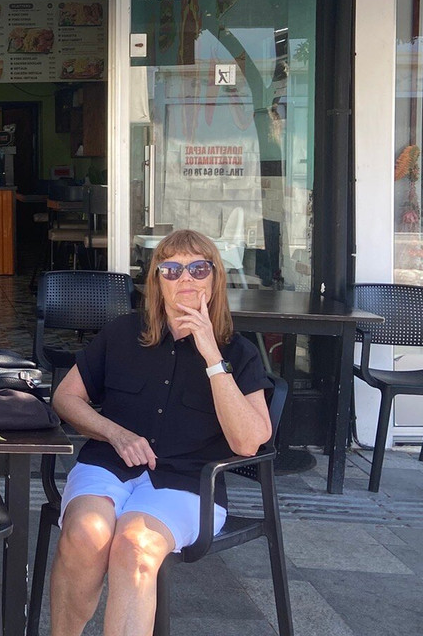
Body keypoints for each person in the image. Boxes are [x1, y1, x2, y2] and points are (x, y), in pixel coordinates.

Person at [49, 229, 272, 636]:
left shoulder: (238, 352)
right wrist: (114, 433)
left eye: (198, 268)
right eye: (171, 269)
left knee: (135, 545)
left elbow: (249, 441)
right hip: (109, 466)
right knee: (86, 534)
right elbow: (65, 398)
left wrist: (211, 356)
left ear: (214, 279)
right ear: (157, 281)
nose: (185, 278)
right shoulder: (122, 333)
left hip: (188, 484)